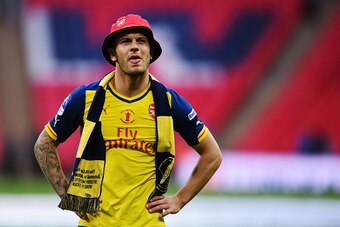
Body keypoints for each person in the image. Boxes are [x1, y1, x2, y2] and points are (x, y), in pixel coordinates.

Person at [34, 14, 222, 227]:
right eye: (126, 41)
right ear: (113, 54)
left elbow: (212, 155)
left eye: (141, 41)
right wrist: (67, 195)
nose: (135, 47)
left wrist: (180, 199)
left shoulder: (169, 103)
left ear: (150, 54)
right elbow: (44, 144)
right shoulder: (86, 98)